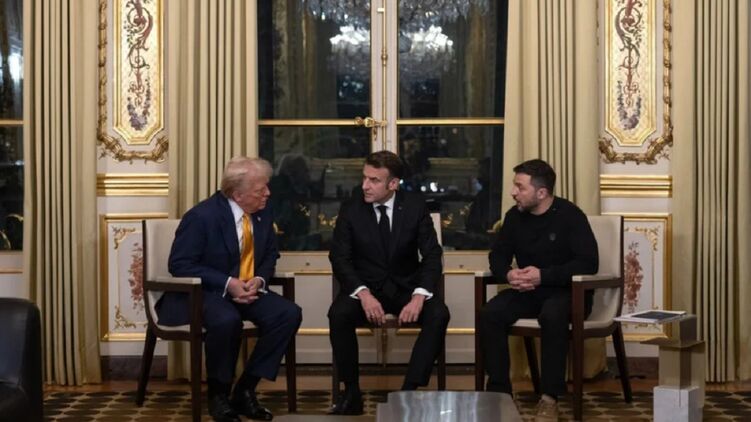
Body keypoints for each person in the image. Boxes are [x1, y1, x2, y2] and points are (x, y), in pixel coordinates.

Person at [157, 157, 302, 422]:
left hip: (247, 289)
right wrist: (228, 283)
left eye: (266, 186)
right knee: (226, 320)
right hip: (207, 293)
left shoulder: (262, 212)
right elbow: (180, 264)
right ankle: (218, 395)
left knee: (288, 313)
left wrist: (259, 279)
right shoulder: (201, 216)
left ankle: (245, 389)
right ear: (237, 194)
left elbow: (270, 254)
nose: (268, 193)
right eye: (260, 190)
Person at [327, 150, 450, 415]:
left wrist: (419, 296)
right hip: (366, 288)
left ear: (393, 184)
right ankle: (351, 393)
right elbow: (339, 257)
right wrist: (363, 294)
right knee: (338, 314)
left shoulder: (415, 206)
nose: (365, 186)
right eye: (364, 178)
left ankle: (408, 392)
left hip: (406, 288)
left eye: (374, 180)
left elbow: (432, 255)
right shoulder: (351, 209)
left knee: (438, 313)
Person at [479, 159, 598, 422]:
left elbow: (588, 263)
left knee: (552, 315)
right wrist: (508, 274)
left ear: (541, 192)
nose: (513, 192)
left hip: (567, 293)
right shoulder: (514, 216)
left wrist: (543, 276)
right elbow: (497, 256)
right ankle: (499, 394)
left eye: (520, 187)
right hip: (529, 292)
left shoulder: (570, 216)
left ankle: (549, 398)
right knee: (491, 313)